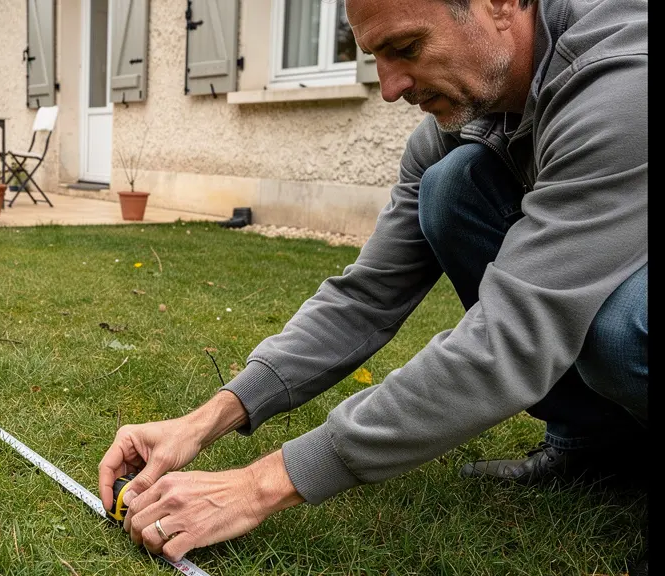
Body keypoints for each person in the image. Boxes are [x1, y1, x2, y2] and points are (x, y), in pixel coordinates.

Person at [97, 0, 647, 565]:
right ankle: (595, 447)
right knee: (450, 187)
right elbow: (367, 296)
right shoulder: (462, 124)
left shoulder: (623, 83)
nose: (389, 88)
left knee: (618, 325)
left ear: (503, 6)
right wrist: (209, 418)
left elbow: (512, 339)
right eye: (375, 57)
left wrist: (259, 486)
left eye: (406, 49)